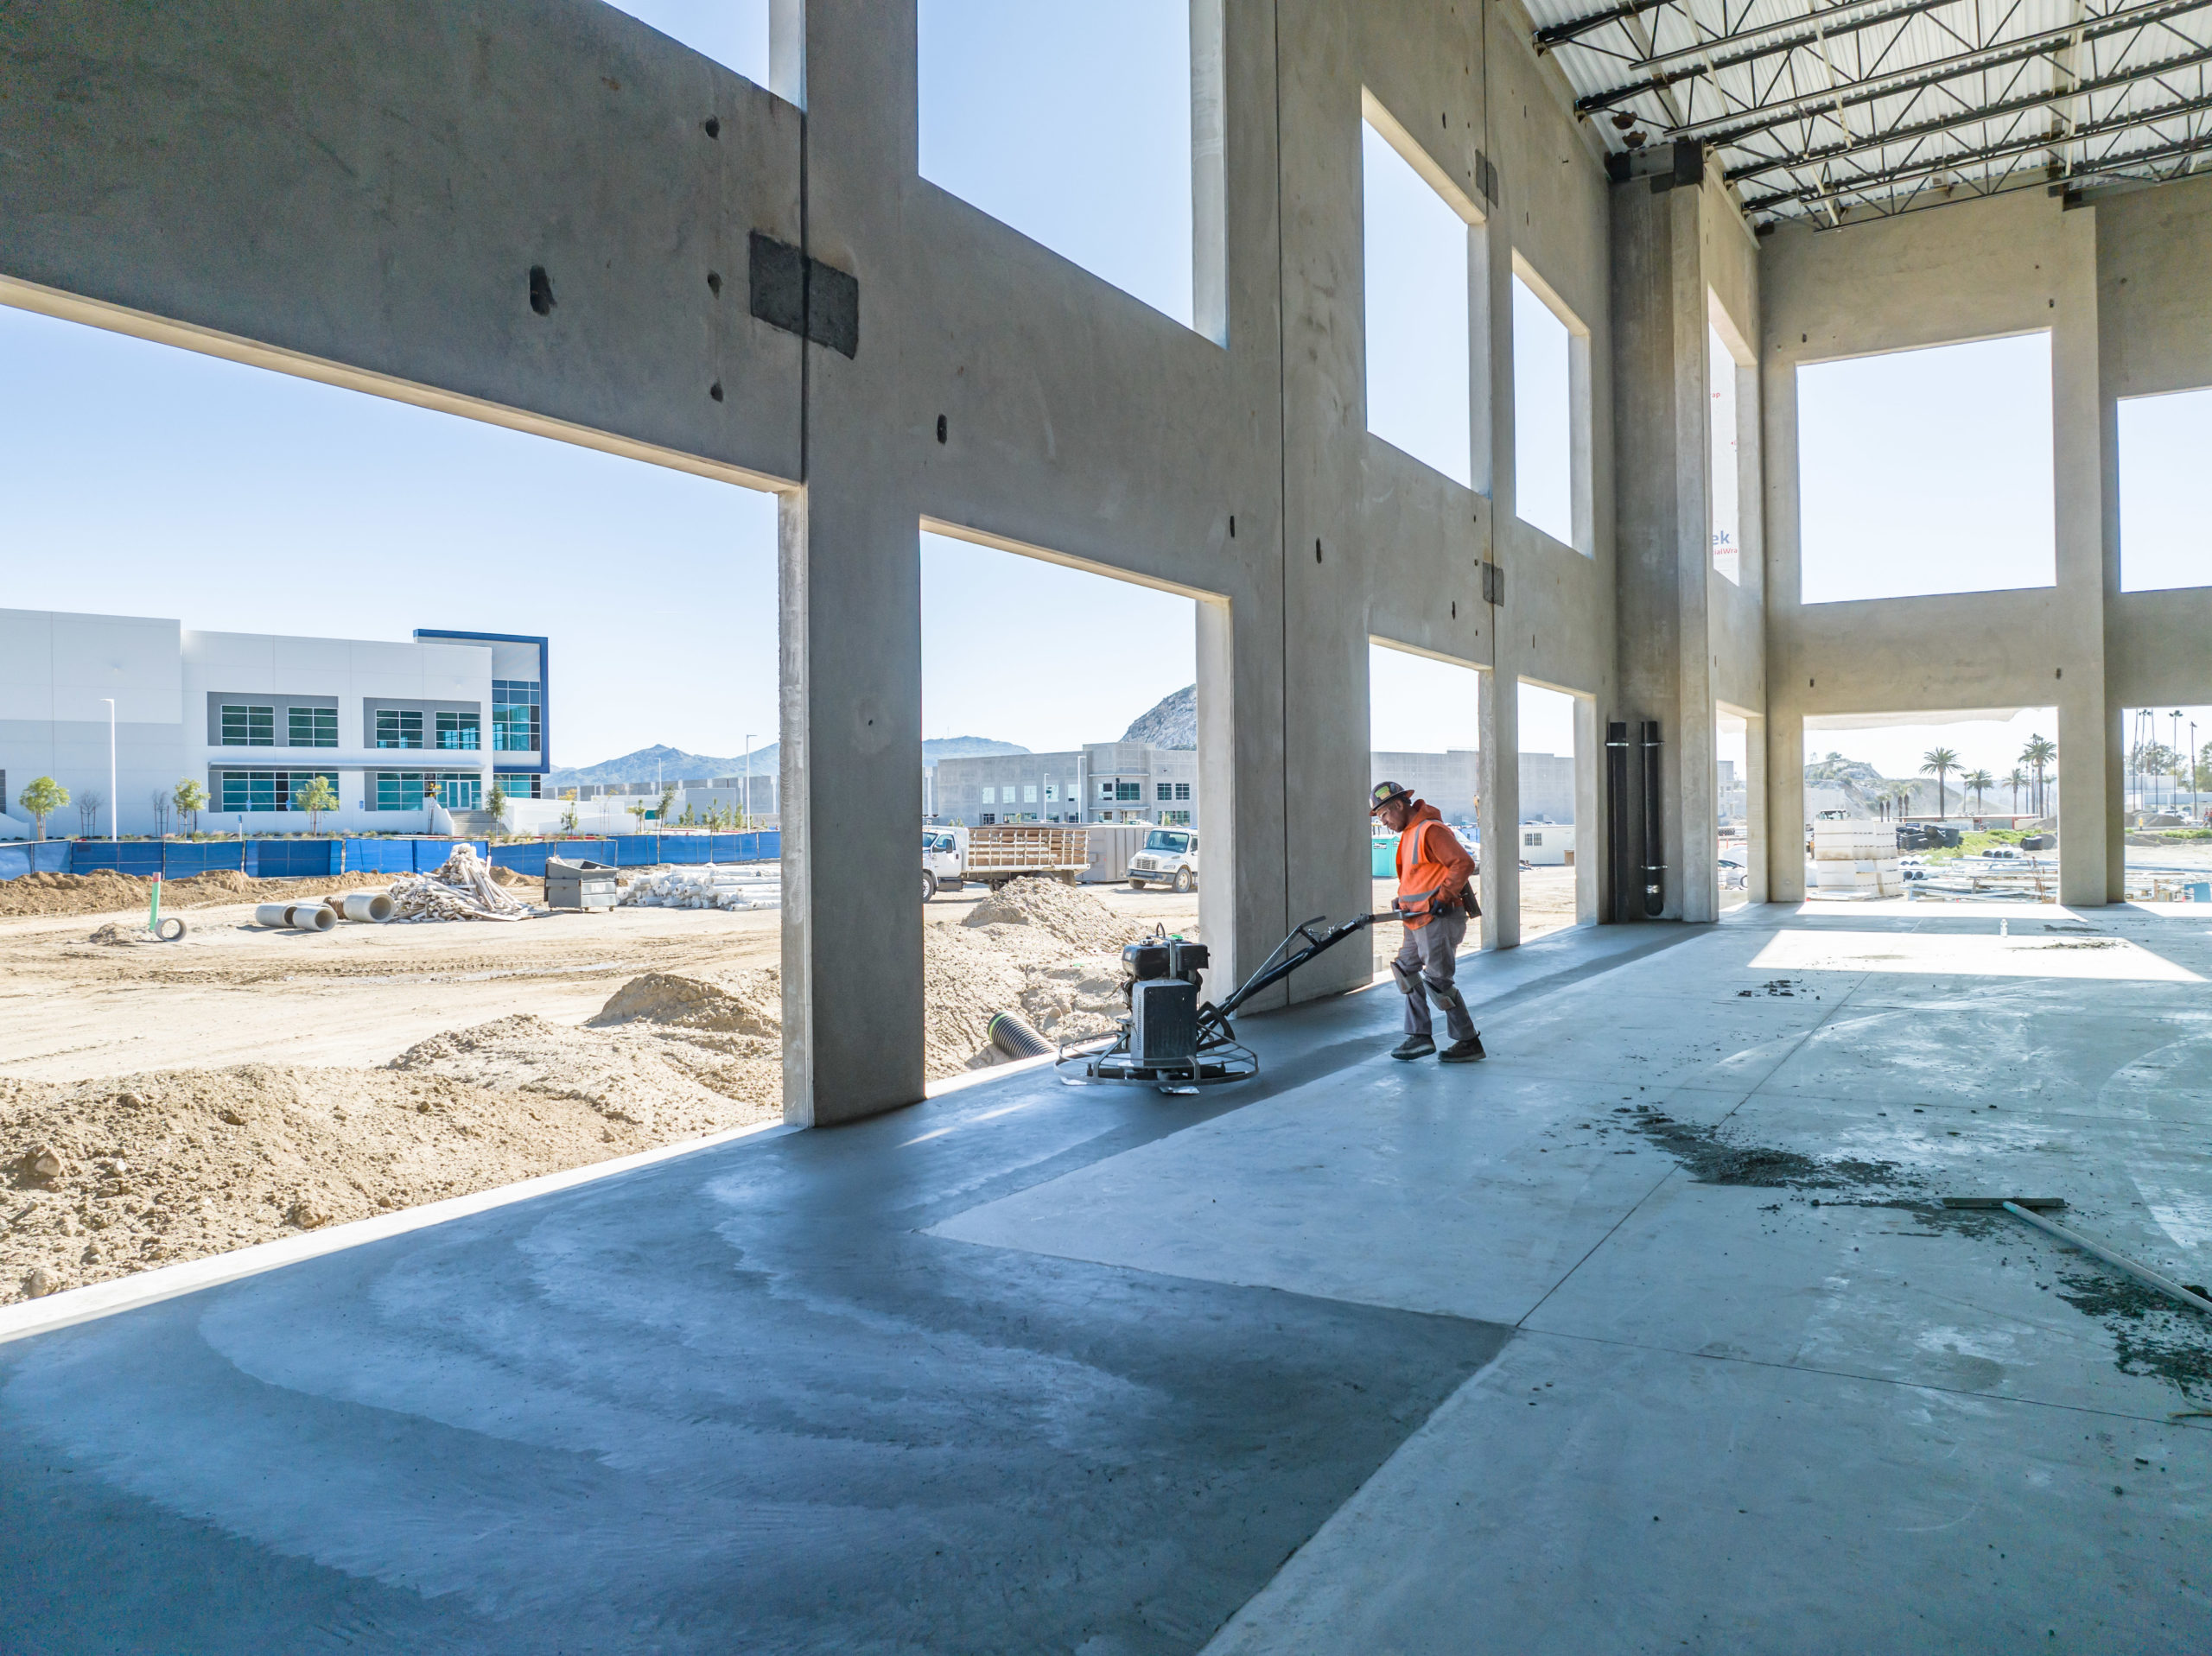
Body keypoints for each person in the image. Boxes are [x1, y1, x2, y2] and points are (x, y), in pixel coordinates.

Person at [1371, 779, 1484, 1063]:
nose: (1384, 822)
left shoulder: (1430, 830)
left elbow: (1463, 863)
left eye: (1385, 814)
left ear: (1399, 805)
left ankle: (1468, 1041)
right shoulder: (1410, 833)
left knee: (1438, 982)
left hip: (1438, 918)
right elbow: (1420, 876)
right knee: (1406, 972)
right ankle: (1420, 1037)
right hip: (1416, 918)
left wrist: (1443, 897)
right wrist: (1404, 899)